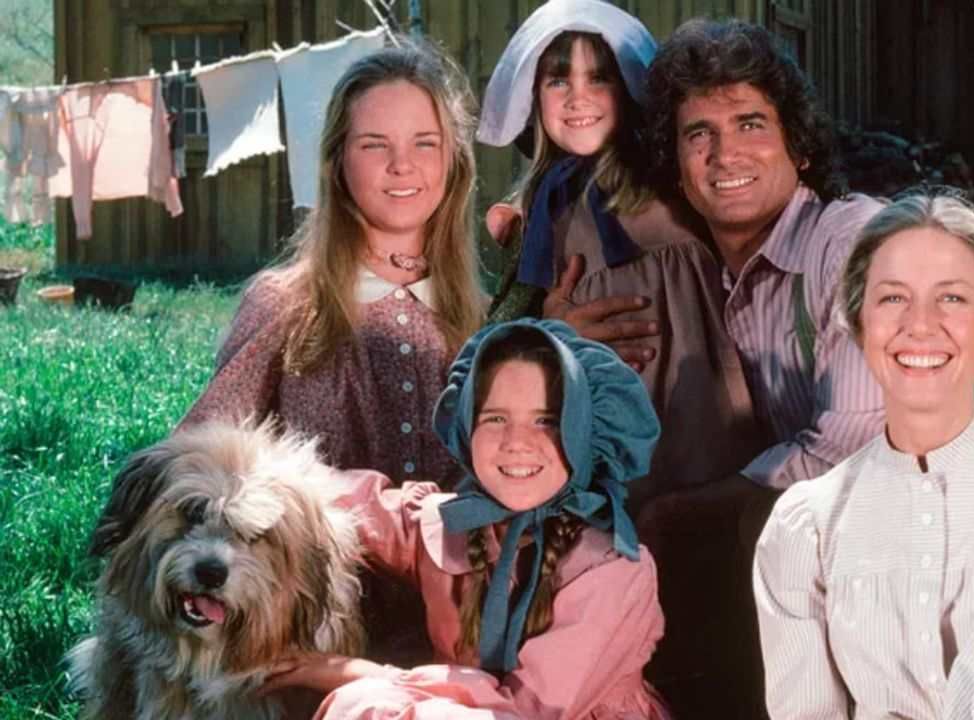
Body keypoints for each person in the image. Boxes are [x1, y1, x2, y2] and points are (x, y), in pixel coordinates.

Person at [753, 194, 974, 719]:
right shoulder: (802, 527)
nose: (920, 324)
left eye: (951, 297)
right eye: (893, 298)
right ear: (858, 321)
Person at [638, 18, 886, 715]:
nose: (725, 154)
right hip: (797, 564)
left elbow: (849, 446)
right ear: (677, 166)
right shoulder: (708, 276)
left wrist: (678, 511)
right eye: (700, 134)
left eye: (750, 123)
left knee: (754, 522)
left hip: (896, 552)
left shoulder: (849, 243)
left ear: (799, 146)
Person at [260, 320, 673, 720]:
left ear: (585, 434)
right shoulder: (449, 527)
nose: (516, 442)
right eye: (495, 418)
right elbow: (343, 499)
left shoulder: (611, 573)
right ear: (465, 426)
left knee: (368, 701)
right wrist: (258, 480)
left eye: (546, 420)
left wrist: (359, 672)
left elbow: (528, 712)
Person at [477, 0, 762, 513]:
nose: (577, 98)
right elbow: (507, 329)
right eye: (558, 80)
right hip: (597, 422)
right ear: (534, 96)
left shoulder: (661, 191)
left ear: (628, 88)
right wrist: (551, 335)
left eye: (599, 77)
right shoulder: (551, 201)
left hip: (682, 421)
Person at [180, 42, 485, 487]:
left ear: (453, 161)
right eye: (374, 144)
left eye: (425, 143)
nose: (401, 165)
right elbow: (196, 461)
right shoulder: (285, 307)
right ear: (337, 161)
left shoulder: (485, 321)